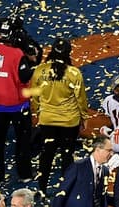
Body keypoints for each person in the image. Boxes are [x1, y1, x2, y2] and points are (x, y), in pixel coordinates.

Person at [0, 18, 35, 185]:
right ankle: (24, 173)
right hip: (17, 105)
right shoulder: (16, 53)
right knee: (23, 141)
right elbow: (24, 77)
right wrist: (30, 62)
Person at [31, 38, 89, 193]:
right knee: (67, 154)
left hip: (47, 120)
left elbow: (35, 96)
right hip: (69, 121)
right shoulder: (74, 73)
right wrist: (84, 117)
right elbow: (81, 98)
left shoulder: (40, 70)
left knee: (47, 154)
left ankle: (42, 188)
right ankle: (67, 188)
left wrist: (39, 111)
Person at [52, 135, 113, 207]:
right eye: (109, 150)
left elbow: (100, 195)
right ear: (98, 149)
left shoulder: (105, 171)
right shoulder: (78, 167)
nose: (111, 153)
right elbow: (60, 196)